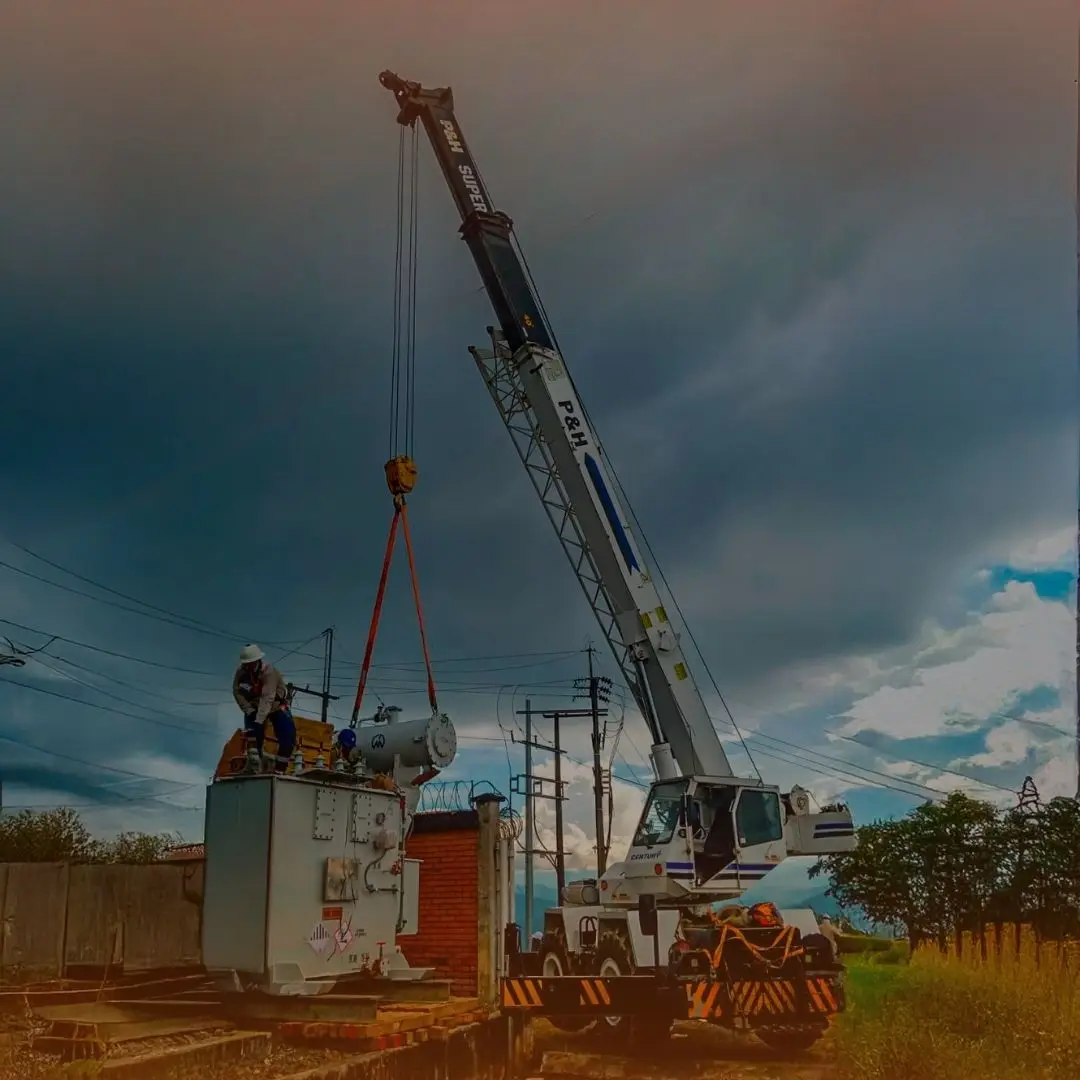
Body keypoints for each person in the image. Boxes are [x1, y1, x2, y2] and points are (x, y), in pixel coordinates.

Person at [232, 644, 296, 773]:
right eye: (246, 663)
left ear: (257, 661)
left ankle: (280, 769)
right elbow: (237, 692)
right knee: (253, 739)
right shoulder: (241, 673)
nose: (249, 666)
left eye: (251, 663)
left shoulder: (269, 672)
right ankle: (254, 766)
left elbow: (267, 698)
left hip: (276, 706)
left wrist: (259, 720)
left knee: (288, 739)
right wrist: (248, 710)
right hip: (254, 707)